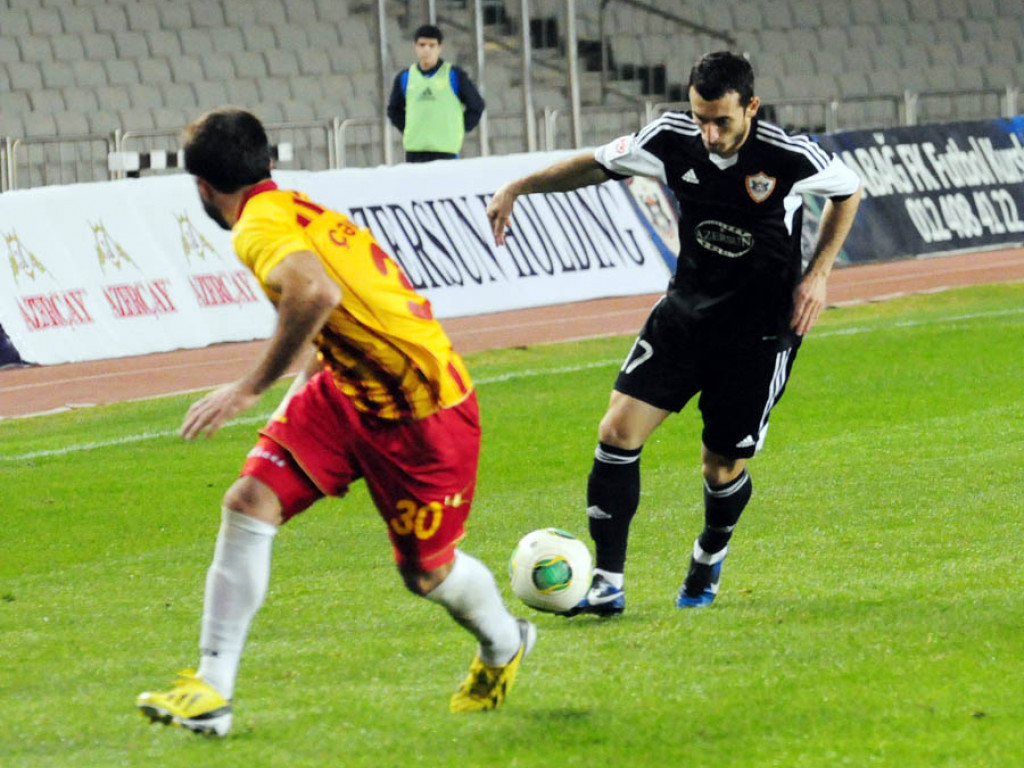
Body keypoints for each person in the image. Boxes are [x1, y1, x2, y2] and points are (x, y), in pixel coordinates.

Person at [136, 107, 535, 736]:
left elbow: (316, 294)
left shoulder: (256, 228)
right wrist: (300, 386)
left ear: (204, 188)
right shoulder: (296, 208)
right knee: (248, 503)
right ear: (268, 162)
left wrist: (248, 388)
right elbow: (340, 310)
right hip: (346, 388)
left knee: (426, 573)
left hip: (422, 411)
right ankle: (212, 691)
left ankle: (504, 642)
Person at [485, 52, 862, 616]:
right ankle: (608, 583)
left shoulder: (788, 154)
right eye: (700, 118)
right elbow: (596, 164)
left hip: (758, 335)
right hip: (685, 315)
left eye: (722, 121)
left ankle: (710, 552)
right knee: (616, 431)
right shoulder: (670, 139)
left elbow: (849, 191)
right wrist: (519, 187)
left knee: (720, 467)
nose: (709, 134)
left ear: (751, 108)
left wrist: (819, 275)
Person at [387, 24, 485, 162]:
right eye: (422, 45)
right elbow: (393, 110)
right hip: (415, 150)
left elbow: (477, 105)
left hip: (445, 149)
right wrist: (409, 128)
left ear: (439, 47)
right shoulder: (405, 77)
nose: (426, 49)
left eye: (431, 45)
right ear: (415, 47)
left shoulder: (454, 75)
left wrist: (460, 129)